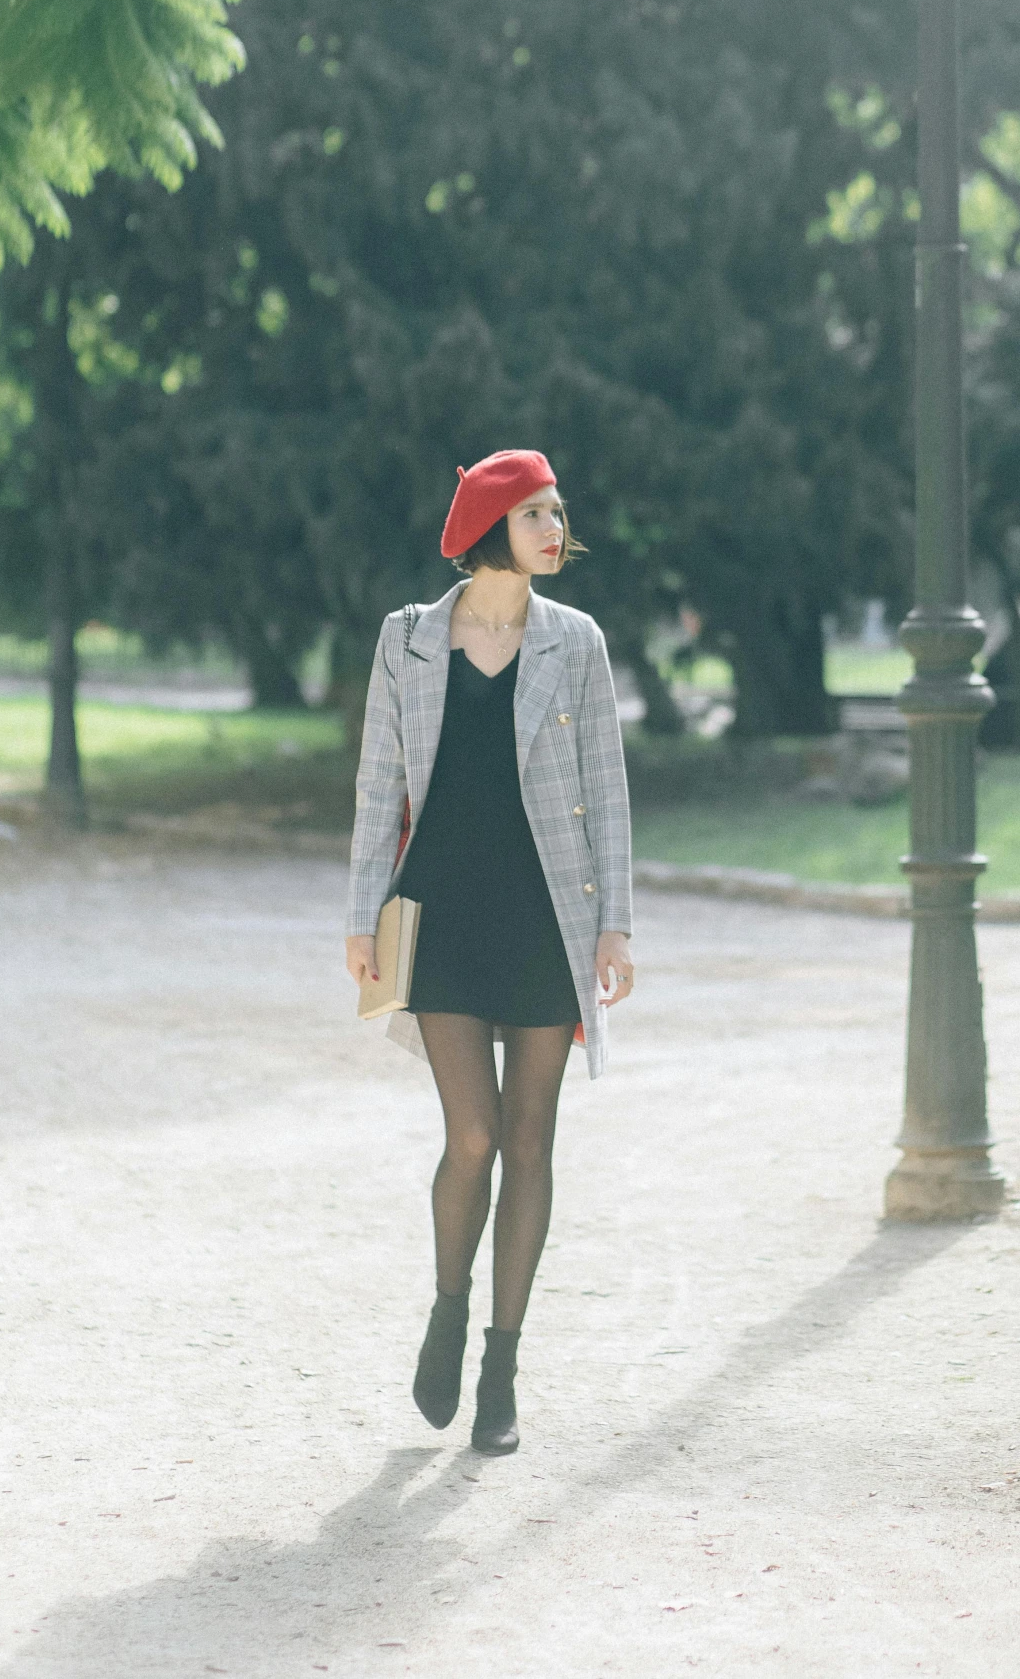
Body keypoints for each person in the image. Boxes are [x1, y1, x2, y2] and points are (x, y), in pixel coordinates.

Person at [345, 449, 633, 1453]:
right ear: (491, 526)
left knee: (530, 1140)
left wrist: (617, 922)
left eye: (559, 511)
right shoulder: (409, 639)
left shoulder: (578, 642)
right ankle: (447, 1307)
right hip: (439, 917)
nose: (558, 528)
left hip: (547, 918)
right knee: (470, 1137)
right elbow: (379, 786)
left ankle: (502, 1367)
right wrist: (358, 917)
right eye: (537, 513)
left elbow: (610, 783)